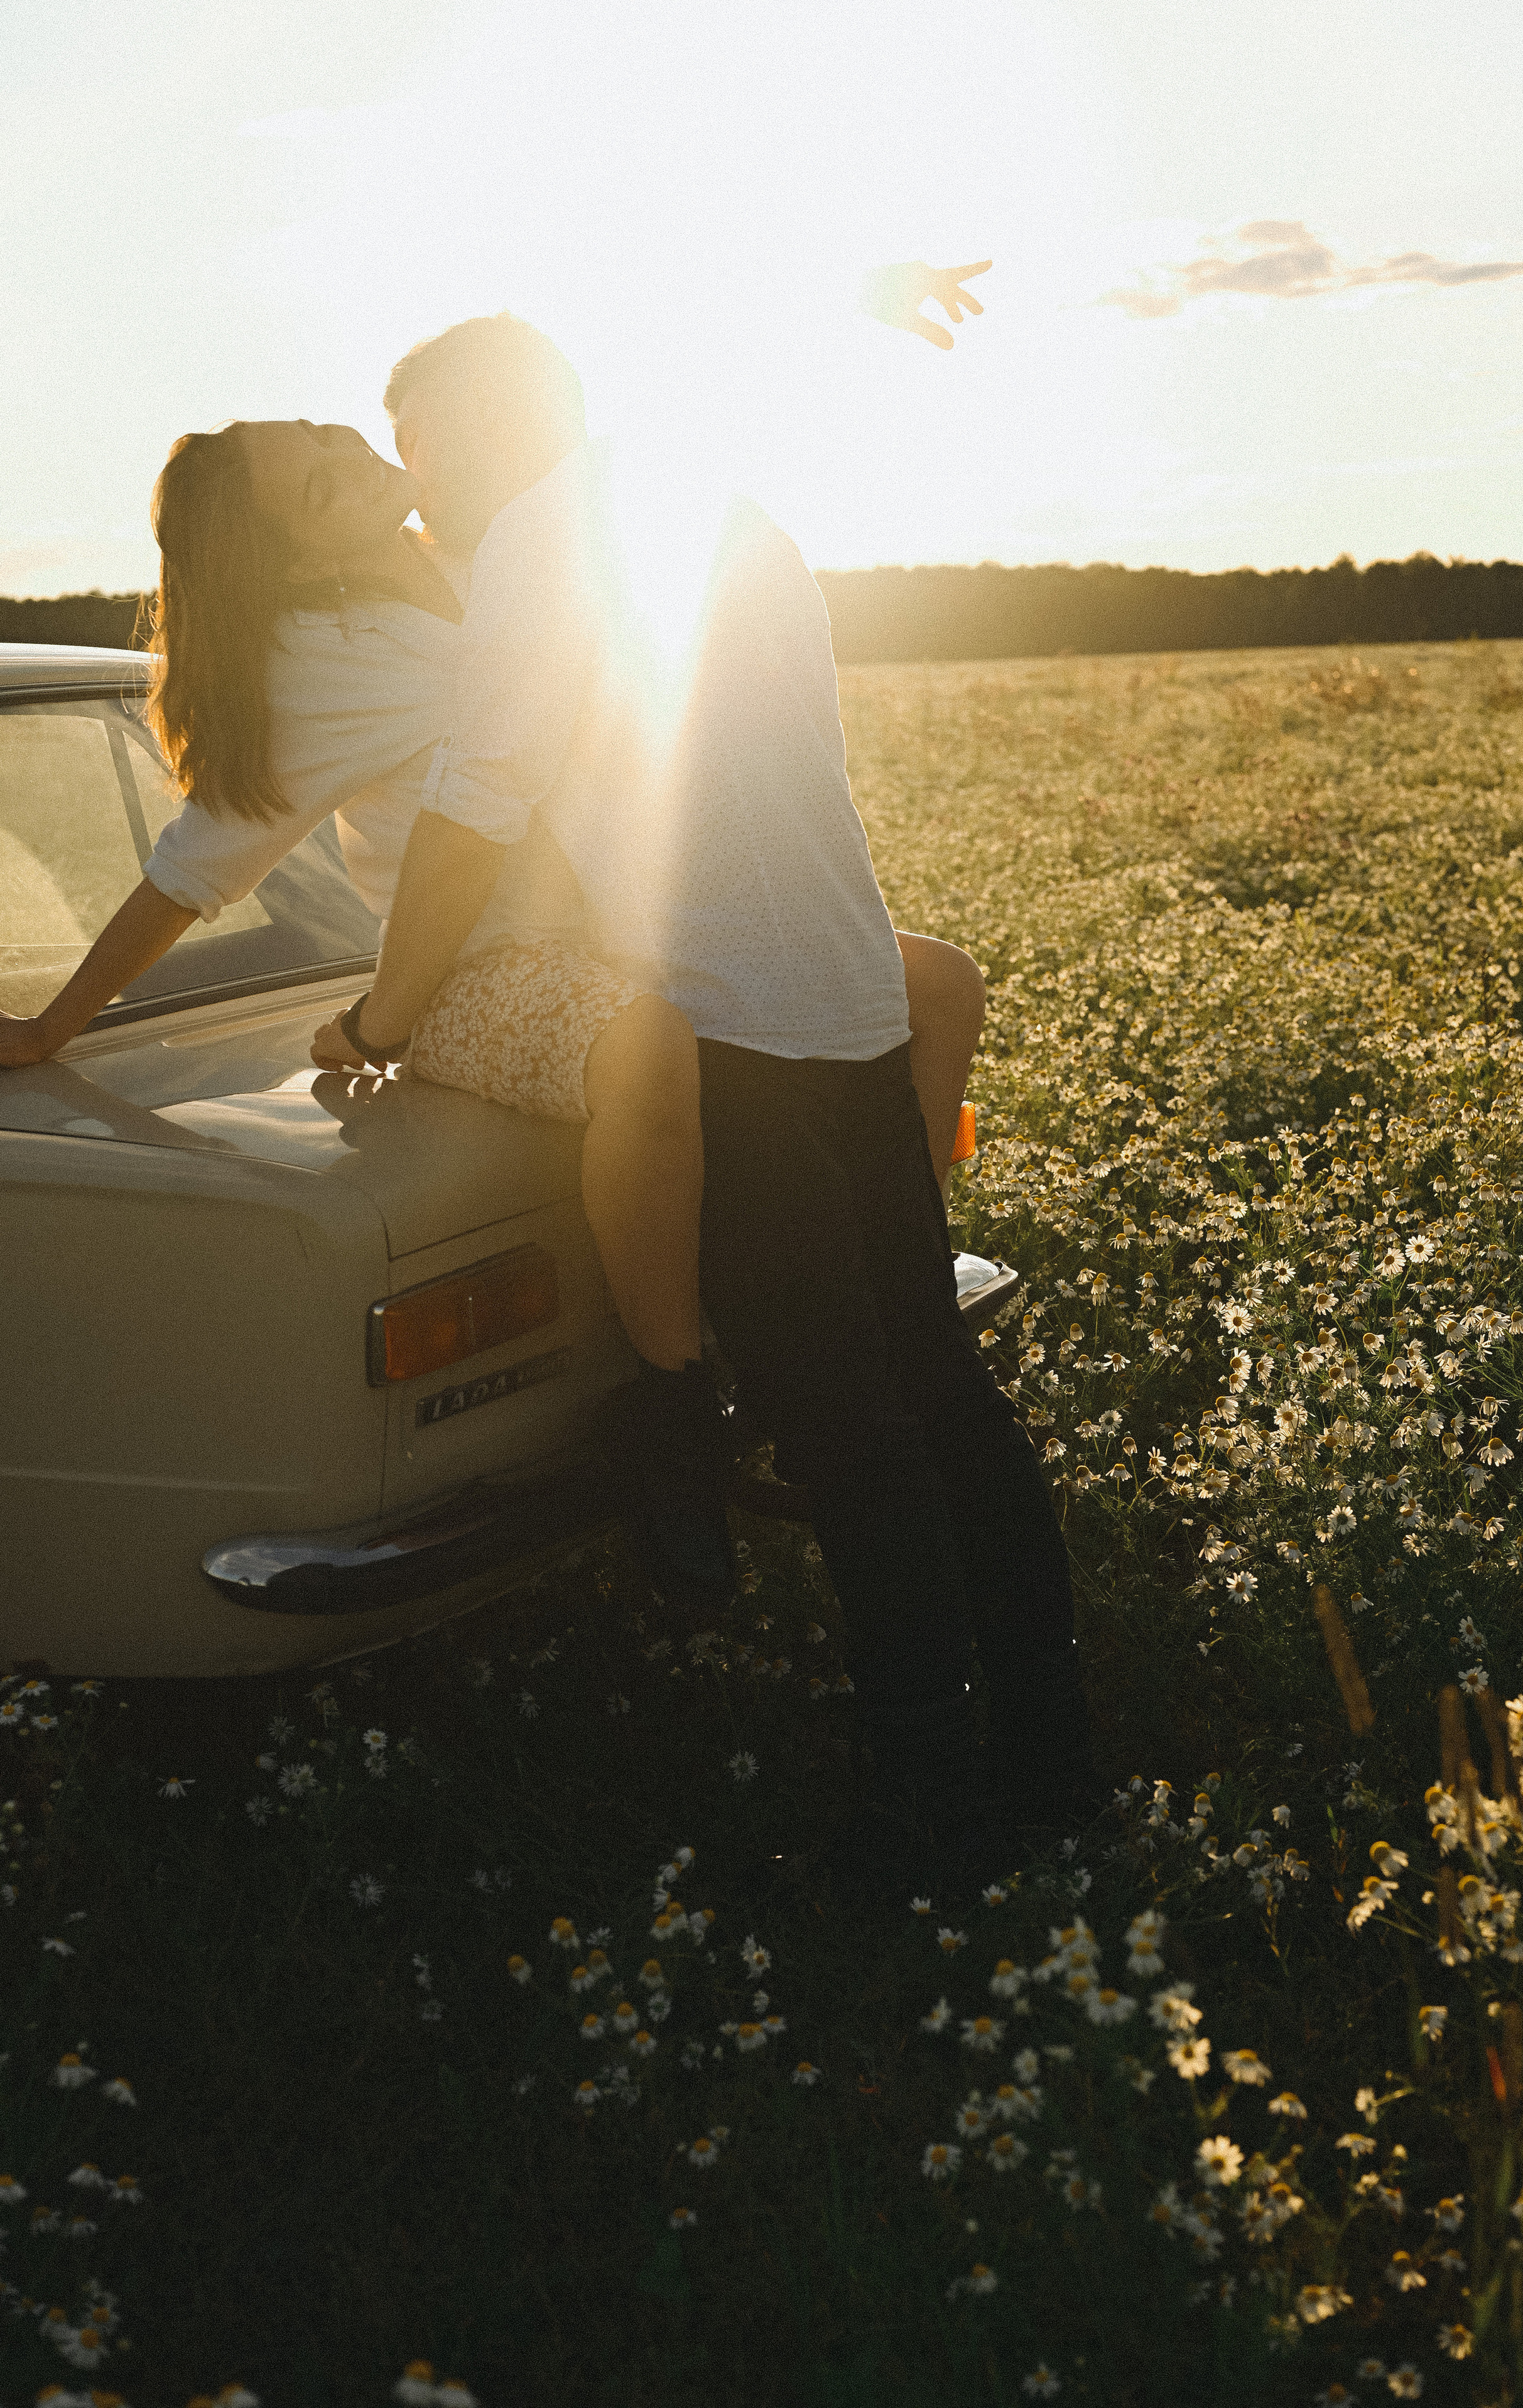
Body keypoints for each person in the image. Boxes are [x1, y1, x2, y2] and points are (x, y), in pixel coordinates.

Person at [0, 277, 993, 1617]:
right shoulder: (317, 664)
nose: (361, 459)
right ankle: (673, 1405)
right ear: (284, 561)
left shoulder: (488, 554)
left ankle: (888, 1278)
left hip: (611, 937)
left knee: (928, 984)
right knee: (646, 1048)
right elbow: (191, 872)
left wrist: (826, 294)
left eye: (336, 437)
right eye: (316, 485)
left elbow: (626, 436)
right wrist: (59, 1023)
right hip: (471, 973)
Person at [323, 308, 1090, 1860]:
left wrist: (389, 1010)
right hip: (848, 993)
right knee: (940, 1398)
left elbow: (474, 808)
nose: (420, 490)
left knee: (849, 1432)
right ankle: (1056, 1753)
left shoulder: (547, 545)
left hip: (731, 1024)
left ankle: (940, 1814)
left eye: (423, 449)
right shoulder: (712, 506)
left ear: (486, 419)